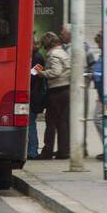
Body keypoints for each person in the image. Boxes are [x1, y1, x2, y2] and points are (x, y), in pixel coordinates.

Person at [41, 31, 71, 160]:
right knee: (63, 122)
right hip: (66, 90)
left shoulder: (53, 54)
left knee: (51, 122)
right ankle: (63, 151)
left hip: (56, 90)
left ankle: (47, 151)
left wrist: (41, 73)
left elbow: (55, 72)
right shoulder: (64, 53)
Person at [29, 36, 47, 159]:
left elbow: (32, 76)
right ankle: (31, 150)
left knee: (31, 124)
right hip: (34, 94)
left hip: (34, 96)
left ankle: (33, 151)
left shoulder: (38, 58)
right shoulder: (36, 57)